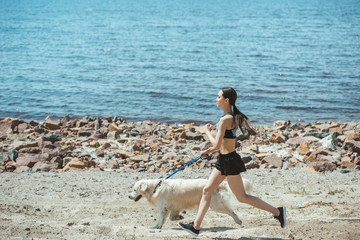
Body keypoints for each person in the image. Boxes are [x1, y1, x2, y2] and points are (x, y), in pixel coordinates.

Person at [178, 87, 286, 236]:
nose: (216, 99)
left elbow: (216, 145)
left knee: (242, 197)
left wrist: (207, 133)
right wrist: (211, 142)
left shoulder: (226, 119)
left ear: (226, 100)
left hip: (229, 161)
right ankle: (196, 227)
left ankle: (277, 212)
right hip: (224, 159)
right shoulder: (231, 117)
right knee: (207, 190)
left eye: (218, 97)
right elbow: (224, 142)